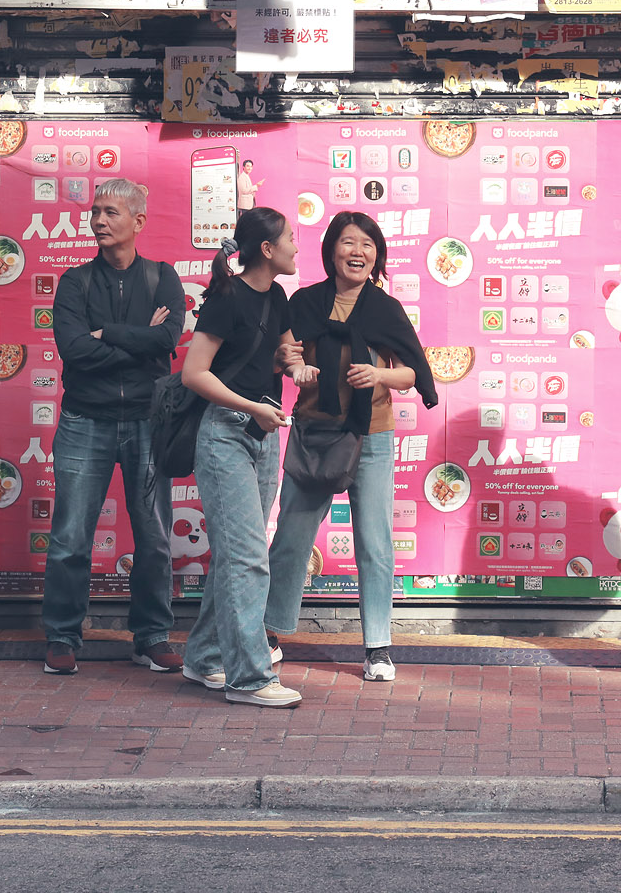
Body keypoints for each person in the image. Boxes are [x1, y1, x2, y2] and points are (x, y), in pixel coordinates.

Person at [266, 213, 437, 683]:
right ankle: (269, 634)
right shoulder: (304, 302)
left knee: (375, 543)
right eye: (348, 242)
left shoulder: (384, 308)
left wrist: (379, 374)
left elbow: (413, 372)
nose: (358, 252)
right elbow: (284, 355)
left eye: (367, 244)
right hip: (315, 432)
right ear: (331, 251)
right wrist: (290, 363)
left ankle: (377, 647)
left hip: (371, 434)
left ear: (376, 255)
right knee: (292, 537)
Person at [43, 178, 187, 676]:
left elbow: (168, 340)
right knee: (70, 537)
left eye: (111, 212)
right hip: (85, 420)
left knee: (155, 536)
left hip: (149, 421)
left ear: (138, 221)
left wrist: (109, 335)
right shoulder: (75, 281)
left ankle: (151, 636)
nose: (99, 221)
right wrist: (139, 340)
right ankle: (62, 636)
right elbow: (74, 349)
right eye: (96, 211)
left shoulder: (162, 277)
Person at [181, 207, 305, 708]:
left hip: (263, 433)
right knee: (248, 558)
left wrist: (296, 366)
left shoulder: (277, 297)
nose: (297, 246)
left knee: (236, 556)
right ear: (267, 249)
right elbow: (195, 373)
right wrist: (252, 405)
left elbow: (284, 353)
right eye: (290, 238)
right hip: (225, 434)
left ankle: (203, 657)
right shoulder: (227, 298)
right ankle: (250, 678)